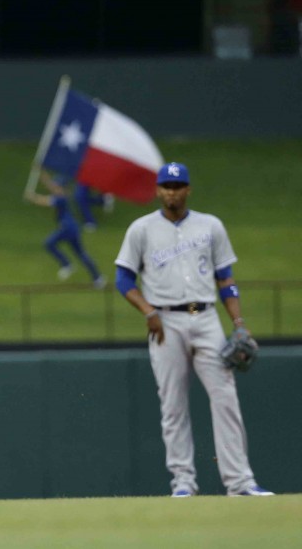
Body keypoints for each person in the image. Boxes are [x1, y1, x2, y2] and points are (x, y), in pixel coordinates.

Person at [114, 162, 273, 498]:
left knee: (225, 398)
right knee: (173, 405)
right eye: (167, 186)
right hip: (165, 322)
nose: (172, 191)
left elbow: (225, 279)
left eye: (178, 185)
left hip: (205, 317)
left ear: (188, 189)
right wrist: (147, 311)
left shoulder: (210, 226)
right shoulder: (141, 229)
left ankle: (240, 483)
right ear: (158, 190)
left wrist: (239, 324)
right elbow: (123, 279)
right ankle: (183, 482)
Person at [27, 174, 106, 289]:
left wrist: (32, 197)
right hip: (73, 228)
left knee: (49, 243)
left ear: (62, 188)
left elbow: (45, 201)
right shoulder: (62, 195)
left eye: (57, 187)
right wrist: (42, 176)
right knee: (81, 254)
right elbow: (51, 186)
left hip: (67, 228)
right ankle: (98, 278)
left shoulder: (60, 199)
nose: (55, 188)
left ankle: (67, 264)